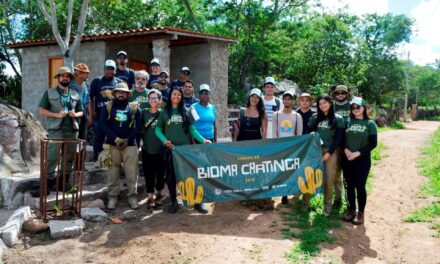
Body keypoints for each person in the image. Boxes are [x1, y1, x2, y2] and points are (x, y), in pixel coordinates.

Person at [155, 88, 211, 214]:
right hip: (171, 150)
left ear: (181, 97)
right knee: (171, 177)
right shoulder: (164, 113)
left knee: (191, 176)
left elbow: (192, 130)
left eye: (178, 94)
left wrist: (202, 140)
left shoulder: (186, 111)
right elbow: (158, 130)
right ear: (170, 96)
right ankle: (174, 201)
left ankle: (197, 203)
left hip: (185, 150)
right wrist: (164, 140)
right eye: (174, 94)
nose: (176, 96)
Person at [38, 67, 83, 192]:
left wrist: (76, 114)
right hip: (55, 130)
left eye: (67, 76)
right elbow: (41, 110)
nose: (65, 78)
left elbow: (81, 112)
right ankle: (45, 186)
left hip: (71, 131)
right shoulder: (49, 93)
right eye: (62, 76)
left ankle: (62, 184)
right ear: (58, 77)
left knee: (68, 158)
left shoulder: (75, 94)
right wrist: (57, 115)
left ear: (70, 79)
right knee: (52, 157)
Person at [100, 83, 141, 210]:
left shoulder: (134, 108)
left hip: (130, 145)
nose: (121, 94)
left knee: (132, 172)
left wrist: (127, 139)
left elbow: (138, 127)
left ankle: (132, 197)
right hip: (113, 145)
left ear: (128, 94)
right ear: (115, 93)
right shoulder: (108, 106)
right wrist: (116, 139)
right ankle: (112, 197)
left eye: (124, 92)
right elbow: (103, 125)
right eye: (119, 92)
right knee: (112, 172)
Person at [341, 97, 377, 225]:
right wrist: (346, 151)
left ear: (364, 108)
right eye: (353, 107)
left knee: (359, 185)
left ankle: (361, 212)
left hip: (362, 159)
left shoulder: (370, 124)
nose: (355, 109)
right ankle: (351, 210)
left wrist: (358, 153)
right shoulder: (347, 121)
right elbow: (341, 139)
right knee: (349, 184)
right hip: (347, 158)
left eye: (358, 107)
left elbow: (373, 143)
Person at [308, 95, 345, 216]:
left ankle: (327, 207)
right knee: (312, 176)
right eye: (320, 104)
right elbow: (309, 133)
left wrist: (329, 153)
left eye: (325, 103)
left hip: (332, 150)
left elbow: (339, 138)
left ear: (330, 103)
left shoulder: (338, 118)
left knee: (329, 179)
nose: (322, 105)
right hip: (317, 151)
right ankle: (305, 203)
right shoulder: (315, 118)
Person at [272, 90, 303, 205]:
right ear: (282, 100)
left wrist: (296, 147)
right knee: (281, 170)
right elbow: (274, 132)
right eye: (285, 99)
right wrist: (277, 146)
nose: (287, 101)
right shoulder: (277, 115)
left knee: (290, 170)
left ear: (293, 101)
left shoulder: (297, 116)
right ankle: (283, 193)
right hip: (281, 147)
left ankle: (290, 192)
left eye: (289, 99)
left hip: (292, 147)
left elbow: (299, 133)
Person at [89, 59, 121, 161]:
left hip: (114, 117)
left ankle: (112, 160)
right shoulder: (96, 81)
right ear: (104, 70)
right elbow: (89, 98)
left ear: (115, 71)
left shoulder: (118, 82)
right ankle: (97, 160)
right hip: (99, 116)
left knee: (113, 139)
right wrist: (92, 112)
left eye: (112, 69)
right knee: (98, 139)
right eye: (108, 69)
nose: (110, 71)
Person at [141, 89, 165, 209]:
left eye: (156, 98)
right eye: (151, 98)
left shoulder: (163, 114)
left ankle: (159, 194)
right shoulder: (143, 113)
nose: (153, 100)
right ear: (148, 100)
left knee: (160, 174)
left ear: (160, 100)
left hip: (160, 149)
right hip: (147, 148)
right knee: (148, 174)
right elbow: (139, 129)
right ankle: (150, 196)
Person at [296, 92, 316, 209]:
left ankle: (306, 198)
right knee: (297, 169)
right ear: (299, 102)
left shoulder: (315, 114)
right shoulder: (294, 114)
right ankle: (297, 190)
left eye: (307, 100)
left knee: (308, 170)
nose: (304, 102)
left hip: (310, 146)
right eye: (302, 100)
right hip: (297, 146)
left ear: (310, 102)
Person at [69, 63, 91, 140]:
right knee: (73, 137)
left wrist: (89, 116)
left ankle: (81, 152)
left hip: (83, 114)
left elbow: (88, 101)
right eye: (86, 73)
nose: (88, 75)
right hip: (72, 114)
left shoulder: (87, 86)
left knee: (83, 138)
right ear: (79, 73)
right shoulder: (70, 85)